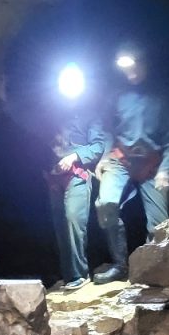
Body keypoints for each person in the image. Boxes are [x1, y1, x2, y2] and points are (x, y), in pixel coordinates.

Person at [93, 44, 169, 284]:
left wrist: (166, 170)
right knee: (106, 205)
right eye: (126, 68)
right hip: (121, 159)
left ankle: (151, 268)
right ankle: (120, 265)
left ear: (145, 64)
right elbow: (107, 127)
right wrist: (104, 156)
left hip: (152, 164)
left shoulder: (162, 96)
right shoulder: (118, 94)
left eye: (135, 66)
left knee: (160, 225)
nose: (131, 72)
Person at [47, 93, 107, 291]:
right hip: (53, 178)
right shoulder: (53, 114)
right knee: (60, 224)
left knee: (73, 217)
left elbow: (98, 146)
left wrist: (74, 156)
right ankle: (68, 276)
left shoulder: (90, 115)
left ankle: (80, 275)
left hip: (78, 175)